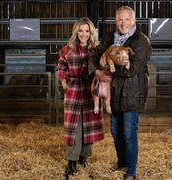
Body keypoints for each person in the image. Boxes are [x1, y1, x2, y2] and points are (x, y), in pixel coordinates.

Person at [88, 6, 152, 180]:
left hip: (132, 93)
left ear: (133, 21)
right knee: (116, 132)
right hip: (113, 93)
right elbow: (94, 53)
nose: (122, 23)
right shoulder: (110, 37)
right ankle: (122, 163)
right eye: (119, 20)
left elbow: (132, 69)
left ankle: (131, 172)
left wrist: (107, 71)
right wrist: (96, 71)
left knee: (129, 134)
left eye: (126, 19)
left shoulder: (141, 41)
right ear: (116, 21)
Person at [57, 17, 104, 177]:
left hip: (91, 89)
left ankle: (84, 157)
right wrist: (65, 84)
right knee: (73, 126)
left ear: (91, 33)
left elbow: (103, 67)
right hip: (74, 88)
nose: (83, 34)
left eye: (87, 31)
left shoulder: (96, 49)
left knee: (88, 125)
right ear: (76, 32)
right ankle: (72, 161)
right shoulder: (66, 50)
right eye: (81, 30)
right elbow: (61, 67)